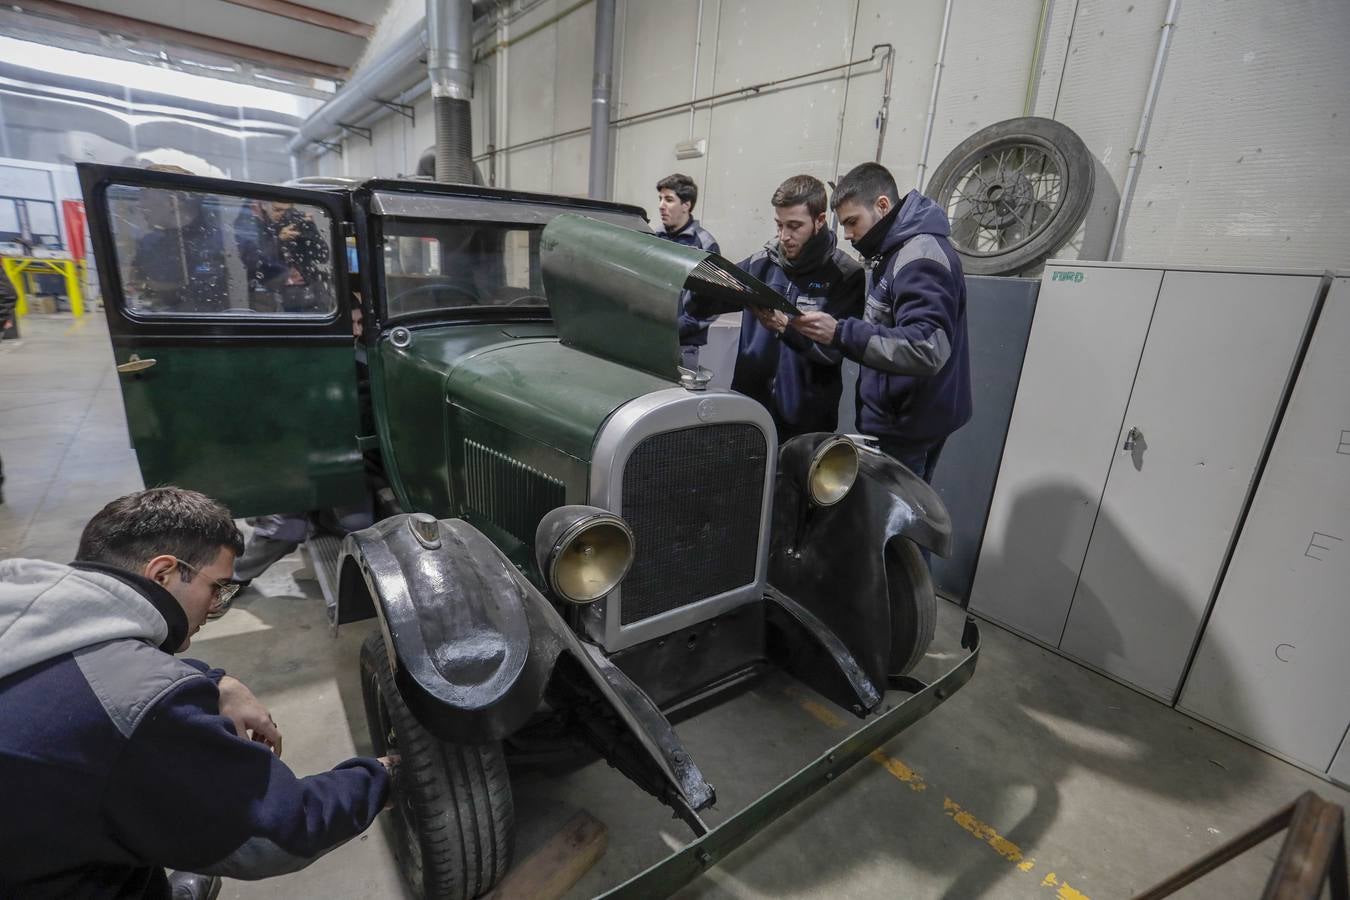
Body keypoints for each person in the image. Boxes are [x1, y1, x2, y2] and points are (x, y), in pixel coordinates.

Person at [0, 487, 395, 899]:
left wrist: (216, 682)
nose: (216, 607)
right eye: (218, 589)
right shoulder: (139, 701)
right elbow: (277, 832)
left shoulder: (25, 605)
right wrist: (382, 778)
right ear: (162, 574)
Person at [792, 162, 972, 482]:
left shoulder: (919, 256)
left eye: (852, 222)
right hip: (899, 418)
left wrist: (840, 332)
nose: (847, 235)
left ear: (883, 205)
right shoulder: (892, 250)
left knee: (894, 518)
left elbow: (925, 346)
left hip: (908, 427)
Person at [689, 174, 862, 441]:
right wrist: (692, 279)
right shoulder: (760, 265)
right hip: (750, 414)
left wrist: (787, 328)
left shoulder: (846, 275)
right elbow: (704, 304)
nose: (784, 236)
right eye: (779, 225)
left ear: (819, 221)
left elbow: (833, 352)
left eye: (794, 226)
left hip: (808, 422)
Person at [652, 173, 721, 368]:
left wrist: (679, 326)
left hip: (684, 346)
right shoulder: (654, 238)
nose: (661, 206)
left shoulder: (705, 245)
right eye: (660, 199)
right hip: (651, 338)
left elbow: (712, 303)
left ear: (686, 205)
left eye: (669, 199)